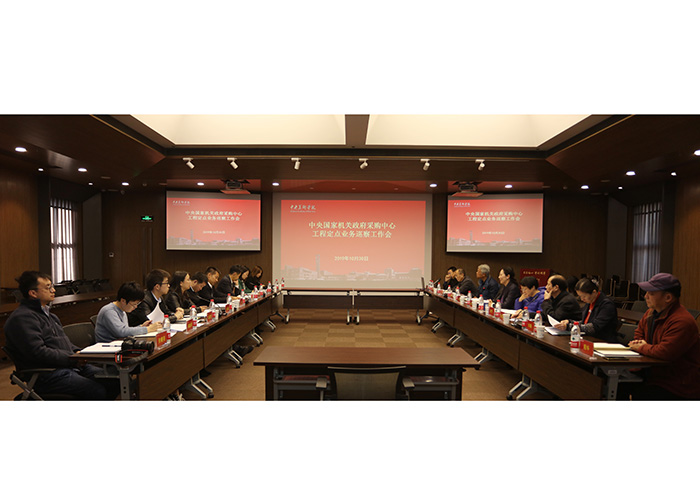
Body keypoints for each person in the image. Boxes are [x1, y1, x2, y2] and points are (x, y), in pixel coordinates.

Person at [4, 271, 118, 400]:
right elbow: (38, 352)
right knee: (96, 390)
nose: (53, 290)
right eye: (48, 287)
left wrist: (79, 353)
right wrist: (73, 358)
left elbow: (65, 343)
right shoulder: (22, 318)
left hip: (68, 365)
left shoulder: (50, 315)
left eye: (52, 286)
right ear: (33, 293)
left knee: (114, 381)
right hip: (47, 373)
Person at [622, 273, 700, 400]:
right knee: (615, 383)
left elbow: (665, 352)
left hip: (677, 384)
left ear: (668, 297)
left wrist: (642, 347)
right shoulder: (650, 313)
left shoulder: (682, 321)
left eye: (651, 293)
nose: (645, 296)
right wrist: (642, 345)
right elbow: (639, 335)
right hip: (652, 374)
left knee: (639, 394)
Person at [550, 277, 618, 342]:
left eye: (584, 296)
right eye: (580, 296)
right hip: (589, 338)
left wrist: (568, 326)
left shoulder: (607, 305)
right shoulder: (590, 302)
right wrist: (569, 322)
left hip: (603, 341)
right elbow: (584, 322)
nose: (582, 299)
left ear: (594, 292)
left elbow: (594, 327)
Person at [95, 281, 162, 342]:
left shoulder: (123, 310)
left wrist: (142, 326)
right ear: (123, 301)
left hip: (119, 344)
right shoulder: (109, 311)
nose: (136, 307)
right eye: (134, 304)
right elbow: (121, 332)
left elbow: (126, 330)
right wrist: (147, 329)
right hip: (107, 347)